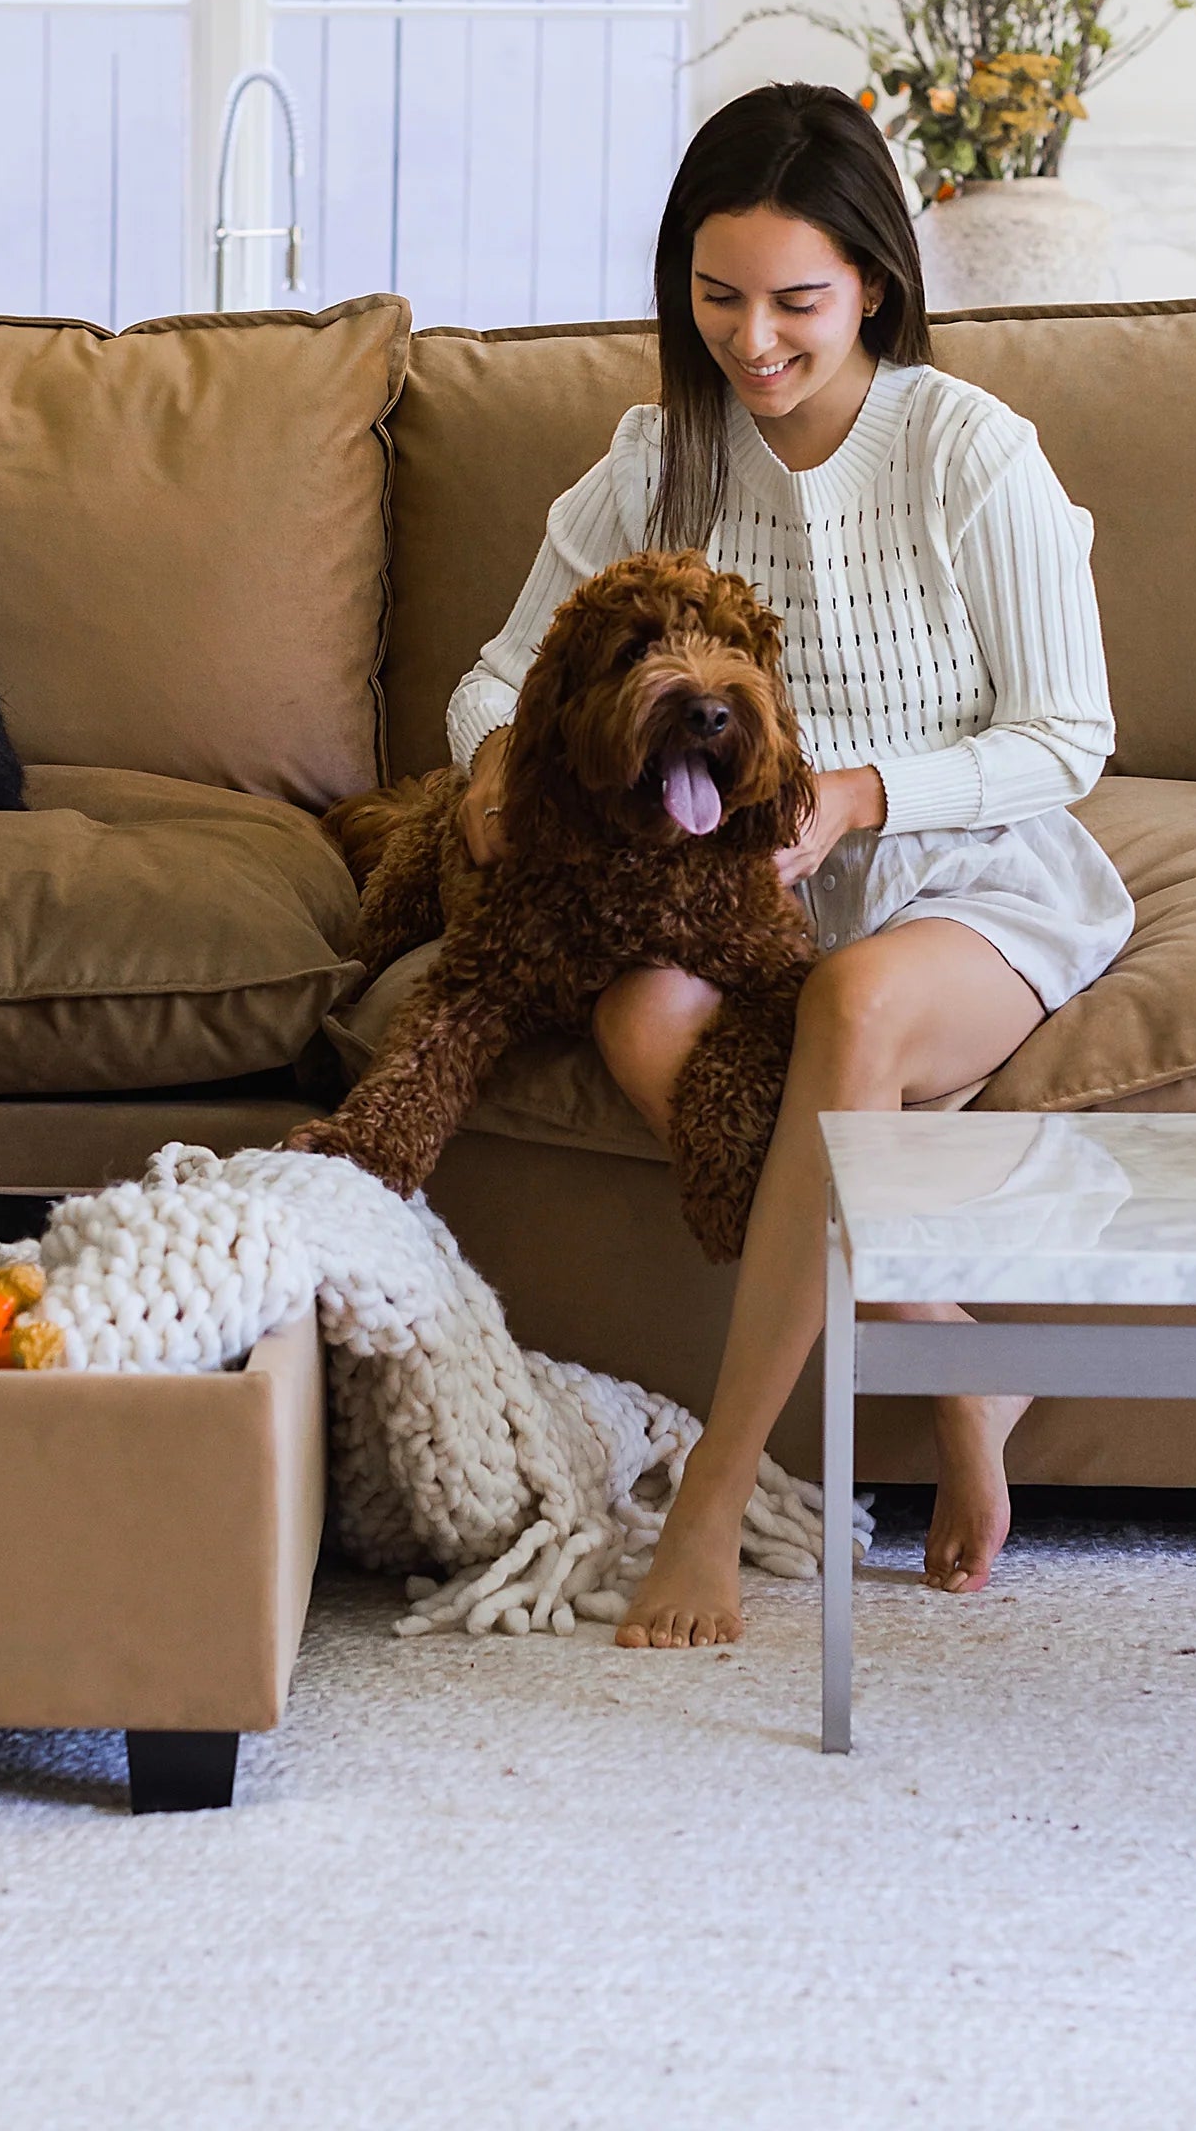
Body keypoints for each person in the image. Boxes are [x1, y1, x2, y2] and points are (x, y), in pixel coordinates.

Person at [442, 80, 1133, 1648]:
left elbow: (1069, 733)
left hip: (964, 872)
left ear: (874, 283)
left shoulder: (967, 450)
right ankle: (956, 1352)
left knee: (855, 1015)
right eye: (718, 298)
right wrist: (495, 768)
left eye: (796, 303)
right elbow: (493, 677)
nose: (754, 342)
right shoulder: (654, 458)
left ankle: (714, 1499)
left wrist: (866, 794)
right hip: (739, 897)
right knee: (636, 1021)